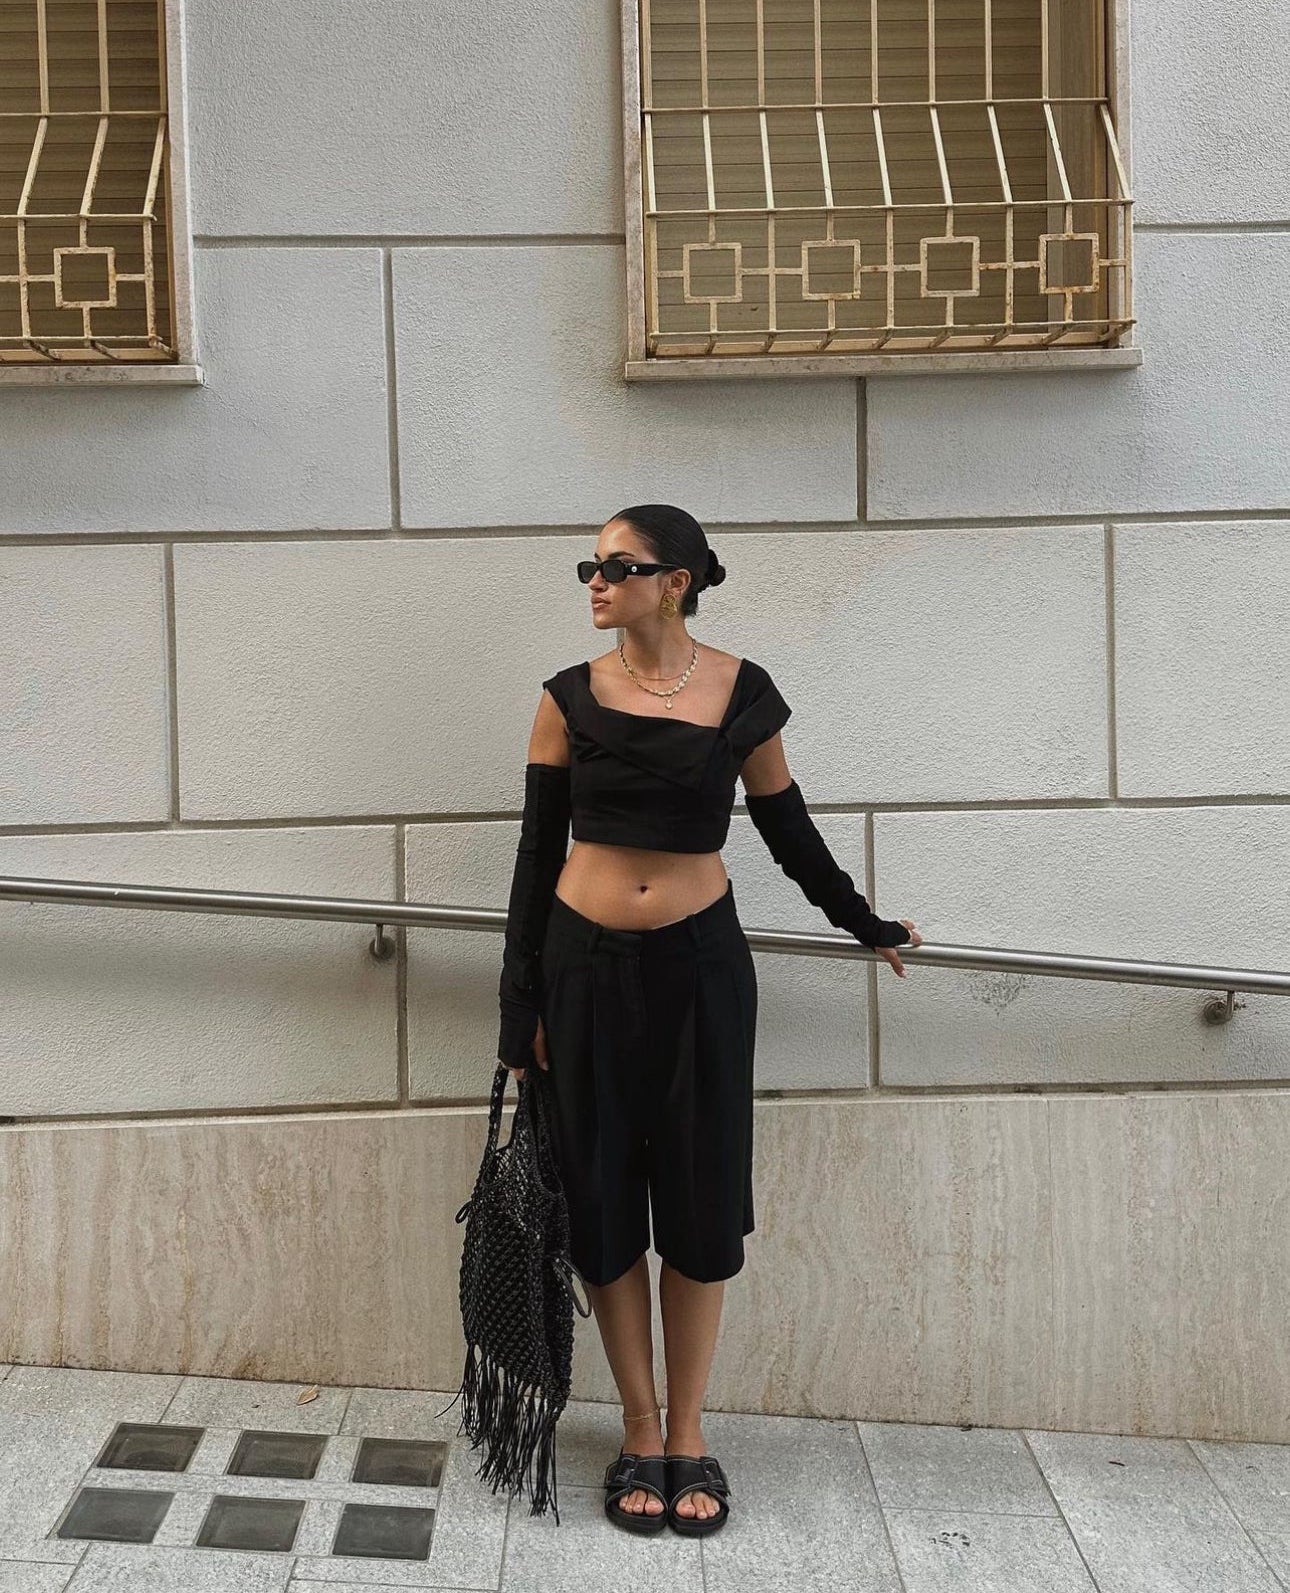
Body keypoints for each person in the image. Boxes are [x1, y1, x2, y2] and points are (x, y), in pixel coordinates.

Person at [497, 503, 921, 1537]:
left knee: (698, 1199)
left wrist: (863, 921)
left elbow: (788, 830)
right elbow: (536, 855)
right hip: (583, 970)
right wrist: (520, 1002)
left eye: (618, 565)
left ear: (676, 581)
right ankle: (639, 1428)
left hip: (701, 972)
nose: (596, 581)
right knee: (602, 1202)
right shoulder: (564, 697)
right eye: (589, 566)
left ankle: (689, 1430)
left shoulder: (744, 694)